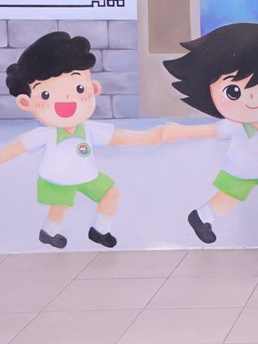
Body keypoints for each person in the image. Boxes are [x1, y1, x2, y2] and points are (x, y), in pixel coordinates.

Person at [1, 32, 163, 249]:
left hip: (87, 176)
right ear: (25, 102)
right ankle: (49, 232)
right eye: (46, 95)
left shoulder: (89, 129)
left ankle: (100, 230)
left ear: (93, 89)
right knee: (60, 206)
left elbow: (118, 137)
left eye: (79, 89)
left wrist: (150, 137)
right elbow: (14, 149)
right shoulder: (45, 134)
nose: (67, 99)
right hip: (56, 177)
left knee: (110, 194)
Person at [161, 23, 258, 245]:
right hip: (240, 171)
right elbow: (210, 130)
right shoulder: (233, 126)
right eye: (233, 91)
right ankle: (202, 217)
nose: (253, 98)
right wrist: (182, 131)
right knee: (226, 201)